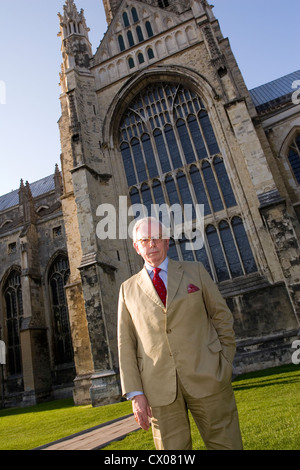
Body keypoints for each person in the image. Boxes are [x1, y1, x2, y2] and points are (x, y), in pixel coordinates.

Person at [117, 216, 243, 450]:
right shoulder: (127, 290)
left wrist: (223, 361)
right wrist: (136, 394)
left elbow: (221, 317)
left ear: (167, 242)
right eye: (145, 240)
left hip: (208, 377)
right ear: (136, 247)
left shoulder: (195, 271)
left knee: (227, 445)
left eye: (157, 238)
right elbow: (126, 344)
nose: (151, 244)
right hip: (158, 389)